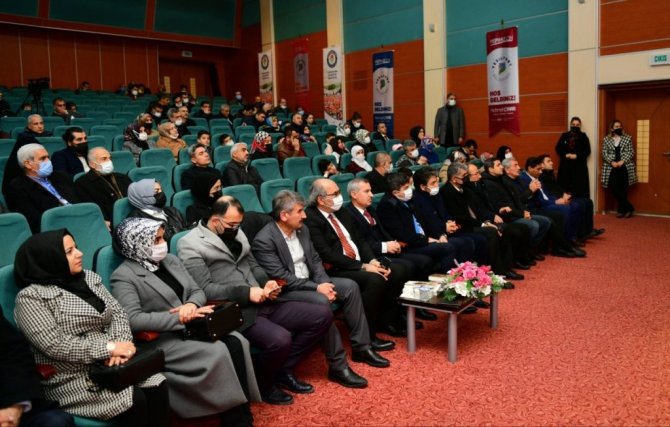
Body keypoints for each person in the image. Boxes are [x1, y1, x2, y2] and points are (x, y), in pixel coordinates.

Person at [178, 196, 332, 405]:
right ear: (215, 220)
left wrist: (267, 283)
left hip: (263, 300)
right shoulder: (190, 244)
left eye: (239, 224)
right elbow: (205, 289)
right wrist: (246, 293)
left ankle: (282, 369)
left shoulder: (237, 231)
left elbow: (253, 266)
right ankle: (264, 384)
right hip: (235, 310)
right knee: (280, 339)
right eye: (232, 225)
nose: (237, 228)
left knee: (321, 315)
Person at [111, 218, 259, 424]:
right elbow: (133, 319)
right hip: (163, 337)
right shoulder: (123, 276)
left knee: (237, 341)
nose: (163, 244)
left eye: (162, 238)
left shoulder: (171, 260)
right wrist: (179, 317)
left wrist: (191, 304)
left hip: (195, 325)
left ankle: (241, 410)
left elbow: (197, 290)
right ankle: (235, 418)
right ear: (136, 244)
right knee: (217, 351)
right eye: (156, 240)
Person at [13, 229, 169, 425]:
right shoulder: (31, 297)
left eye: (76, 247)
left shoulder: (88, 278)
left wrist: (120, 346)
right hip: (72, 375)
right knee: (134, 399)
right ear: (49, 260)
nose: (80, 254)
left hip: (115, 362)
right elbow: (54, 344)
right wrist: (108, 349)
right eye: (69, 252)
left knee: (157, 384)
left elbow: (118, 314)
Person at [252, 191, 379, 389]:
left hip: (312, 281)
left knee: (350, 287)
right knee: (321, 302)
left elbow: (315, 259)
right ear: (284, 215)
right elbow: (282, 277)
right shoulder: (264, 240)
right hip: (287, 290)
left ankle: (362, 347)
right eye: (300, 211)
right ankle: (338, 366)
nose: (305, 215)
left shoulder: (302, 229)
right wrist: (318, 288)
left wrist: (324, 283)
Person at [305, 179, 406, 347]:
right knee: (374, 280)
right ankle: (368, 334)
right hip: (336, 268)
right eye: (335, 194)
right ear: (320, 200)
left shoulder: (342, 212)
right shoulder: (311, 218)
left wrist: (372, 261)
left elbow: (360, 240)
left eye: (339, 192)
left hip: (359, 261)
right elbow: (327, 254)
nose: (340, 197)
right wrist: (364, 266)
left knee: (397, 271)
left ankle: (385, 320)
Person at [440, 163, 525, 281]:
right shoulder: (446, 192)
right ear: (454, 179)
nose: (467, 178)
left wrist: (486, 221)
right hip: (462, 226)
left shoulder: (464, 189)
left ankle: (506, 268)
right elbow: (459, 217)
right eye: (464, 176)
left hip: (474, 222)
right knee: (491, 232)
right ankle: (497, 272)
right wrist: (483, 224)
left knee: (502, 228)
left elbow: (478, 209)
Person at [0, 306, 74, 427]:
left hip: (6, 402)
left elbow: (14, 353)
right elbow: (55, 344)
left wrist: (14, 407)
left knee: (55, 421)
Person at [376, 172, 460, 273]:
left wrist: (440, 234)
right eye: (406, 188)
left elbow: (426, 220)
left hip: (424, 238)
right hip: (409, 244)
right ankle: (450, 279)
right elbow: (402, 234)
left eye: (410, 186)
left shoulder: (409, 198)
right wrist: (427, 240)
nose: (410, 190)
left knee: (458, 242)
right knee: (447, 247)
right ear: (395, 192)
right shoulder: (387, 206)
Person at [6, 143, 80, 232]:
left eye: (48, 157)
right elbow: (34, 221)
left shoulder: (61, 176)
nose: (48, 161)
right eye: (43, 158)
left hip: (79, 218)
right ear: (28, 164)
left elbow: (79, 200)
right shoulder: (17, 187)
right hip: (55, 228)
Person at [537, 154, 605, 242]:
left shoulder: (550, 174)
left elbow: (557, 188)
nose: (552, 163)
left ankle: (588, 230)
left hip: (562, 197)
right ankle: (579, 234)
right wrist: (561, 197)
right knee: (579, 204)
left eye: (551, 161)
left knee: (588, 201)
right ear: (541, 165)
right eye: (548, 161)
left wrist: (565, 194)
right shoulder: (541, 177)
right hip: (556, 200)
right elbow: (548, 193)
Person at [2, 114, 53, 199]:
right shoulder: (25, 139)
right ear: (29, 126)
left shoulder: (49, 134)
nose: (40, 126)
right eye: (36, 124)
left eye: (41, 123)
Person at [75, 147, 131, 224]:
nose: (109, 161)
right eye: (104, 159)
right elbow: (89, 210)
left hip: (132, 216)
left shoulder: (123, 177)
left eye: (110, 158)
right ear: (92, 164)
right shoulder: (83, 183)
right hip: (109, 222)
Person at [127, 179, 190, 243]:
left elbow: (188, 230)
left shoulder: (172, 211)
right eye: (156, 191)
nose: (161, 193)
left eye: (161, 190)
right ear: (143, 196)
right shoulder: (136, 221)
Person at [601, 119, 636, 218]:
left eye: (620, 126)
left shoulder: (627, 138)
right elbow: (604, 153)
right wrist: (611, 162)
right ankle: (629, 208)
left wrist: (622, 161)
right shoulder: (606, 139)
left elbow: (631, 152)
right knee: (614, 188)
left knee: (623, 189)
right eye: (616, 127)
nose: (619, 128)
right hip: (611, 167)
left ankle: (621, 210)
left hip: (624, 167)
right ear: (612, 129)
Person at [555, 116, 592, 198]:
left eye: (577, 125)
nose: (575, 126)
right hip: (565, 166)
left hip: (579, 167)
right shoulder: (564, 135)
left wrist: (576, 156)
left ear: (580, 125)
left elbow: (587, 151)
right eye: (573, 124)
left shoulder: (583, 136)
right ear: (570, 125)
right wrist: (565, 154)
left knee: (579, 190)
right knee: (564, 188)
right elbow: (558, 148)